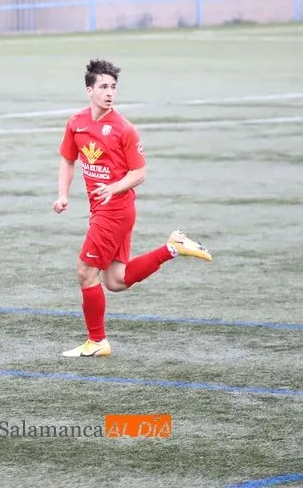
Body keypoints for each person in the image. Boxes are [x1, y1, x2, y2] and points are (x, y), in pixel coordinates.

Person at [52, 59, 213, 357]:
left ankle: (97, 342)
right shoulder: (76, 123)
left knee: (86, 272)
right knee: (115, 280)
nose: (109, 93)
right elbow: (67, 159)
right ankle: (173, 247)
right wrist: (63, 195)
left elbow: (139, 173)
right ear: (89, 90)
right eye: (103, 87)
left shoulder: (124, 129)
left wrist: (112, 188)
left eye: (113, 87)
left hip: (116, 210)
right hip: (102, 210)